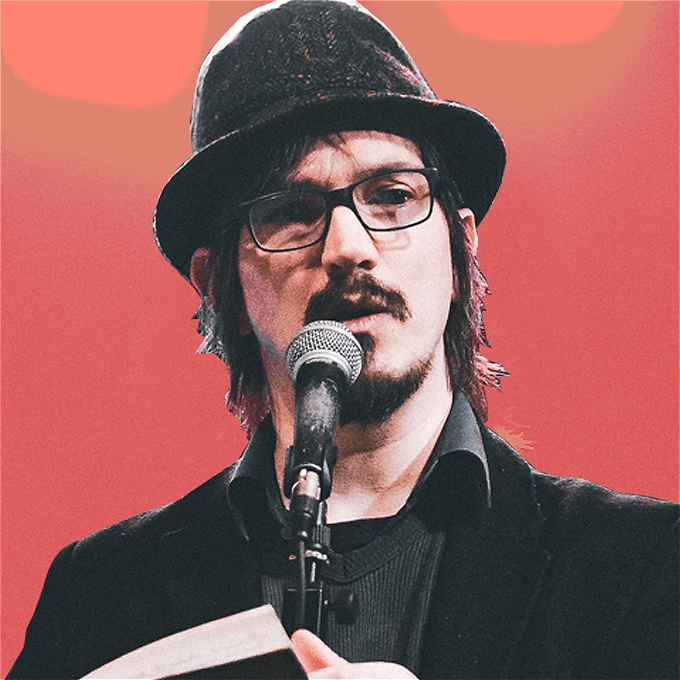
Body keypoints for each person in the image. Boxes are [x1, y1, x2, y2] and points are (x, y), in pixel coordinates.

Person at [9, 1, 678, 678]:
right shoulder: (98, 593)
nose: (347, 247)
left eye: (392, 195)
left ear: (461, 250)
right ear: (219, 288)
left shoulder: (645, 564)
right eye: (289, 212)